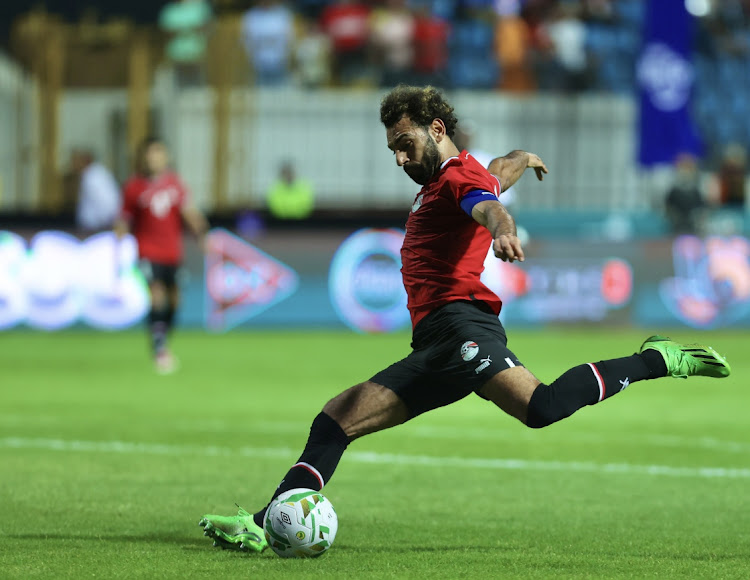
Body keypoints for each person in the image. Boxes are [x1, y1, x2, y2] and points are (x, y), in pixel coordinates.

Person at [198, 85, 731, 552]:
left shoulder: (456, 182)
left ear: (435, 129)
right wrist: (526, 156)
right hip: (435, 342)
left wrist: (502, 227)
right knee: (337, 418)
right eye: (392, 150)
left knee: (540, 407)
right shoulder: (455, 176)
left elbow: (487, 204)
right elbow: (499, 172)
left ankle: (655, 360)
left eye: (404, 145)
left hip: (461, 331)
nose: (400, 159)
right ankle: (265, 525)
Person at [114, 137, 208, 374]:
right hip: (147, 250)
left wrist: (202, 234)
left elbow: (189, 213)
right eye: (150, 154)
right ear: (143, 158)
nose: (154, 158)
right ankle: (159, 349)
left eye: (158, 153)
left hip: (172, 252)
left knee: (175, 299)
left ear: (166, 157)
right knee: (156, 293)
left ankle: (163, 339)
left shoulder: (176, 185)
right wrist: (118, 240)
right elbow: (124, 218)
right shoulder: (134, 187)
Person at [71, 149, 121, 233]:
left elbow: (106, 202)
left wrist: (105, 225)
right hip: (92, 228)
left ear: (84, 160)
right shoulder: (90, 174)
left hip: (95, 229)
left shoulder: (94, 177)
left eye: (76, 160)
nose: (73, 164)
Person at [664, 153, 706, 235]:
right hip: (676, 227)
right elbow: (668, 208)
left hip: (693, 227)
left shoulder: (696, 191)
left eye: (688, 169)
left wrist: (697, 217)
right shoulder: (674, 191)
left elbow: (701, 207)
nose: (685, 172)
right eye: (683, 168)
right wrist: (675, 217)